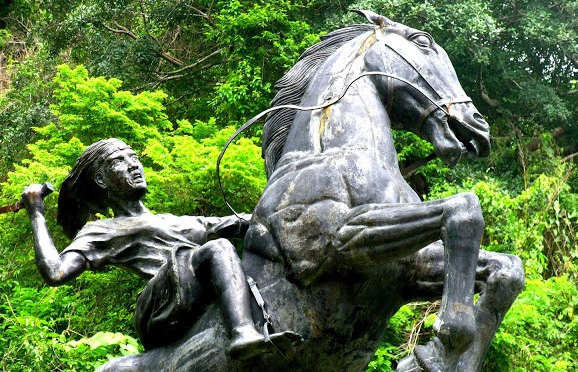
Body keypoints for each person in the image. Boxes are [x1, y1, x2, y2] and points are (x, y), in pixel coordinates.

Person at [22, 138, 274, 358]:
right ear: (101, 179)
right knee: (218, 247)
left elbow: (246, 221)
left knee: (232, 248)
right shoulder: (103, 230)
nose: (133, 164)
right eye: (119, 160)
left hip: (192, 288)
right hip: (160, 306)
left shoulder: (182, 221)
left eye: (134, 157)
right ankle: (242, 332)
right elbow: (56, 272)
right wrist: (36, 214)